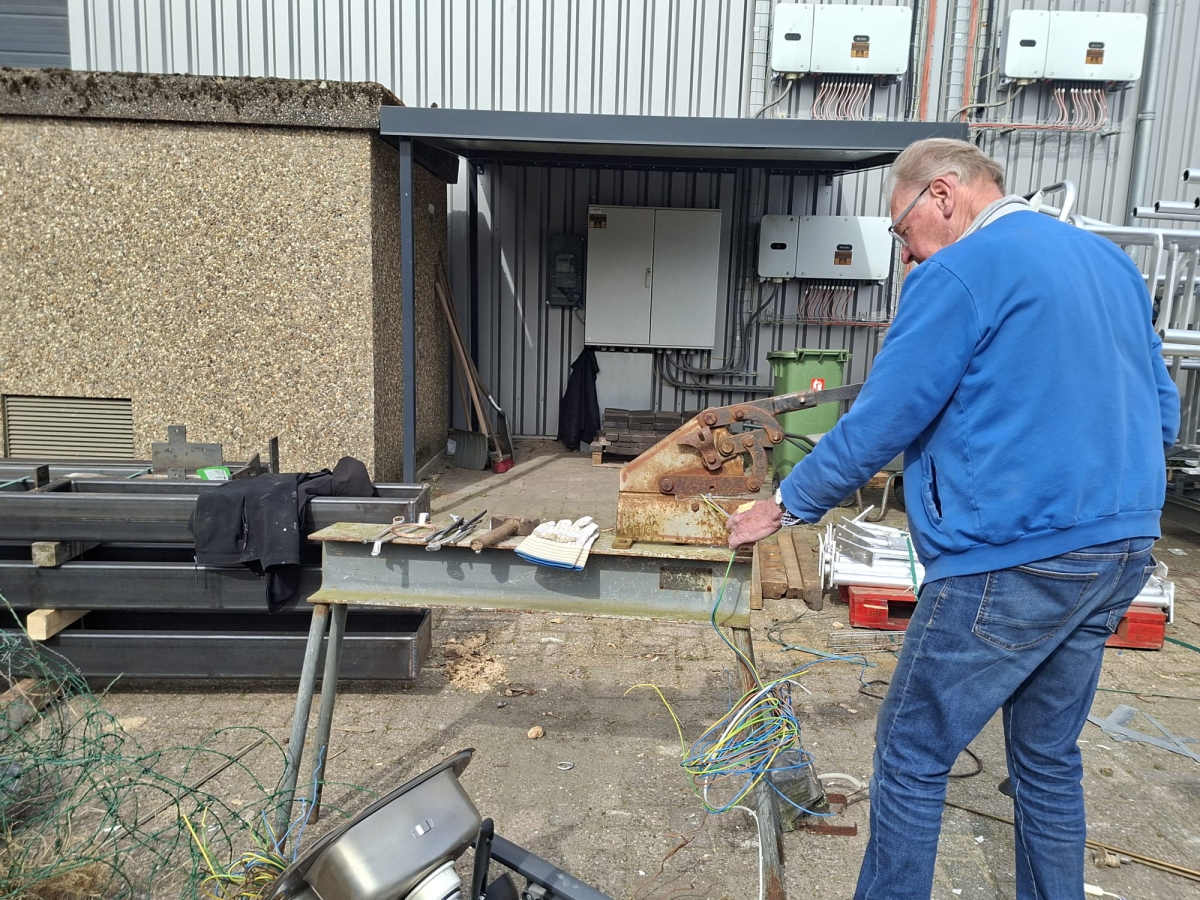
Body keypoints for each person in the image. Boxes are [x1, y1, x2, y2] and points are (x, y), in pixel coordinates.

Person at [727, 138, 1178, 900]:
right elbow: (1162, 411)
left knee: (912, 750)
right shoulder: (1111, 265)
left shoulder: (962, 272)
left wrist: (786, 502)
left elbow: (884, 417)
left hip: (1010, 557)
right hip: (1119, 548)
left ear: (943, 194)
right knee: (1047, 760)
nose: (906, 255)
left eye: (902, 230)